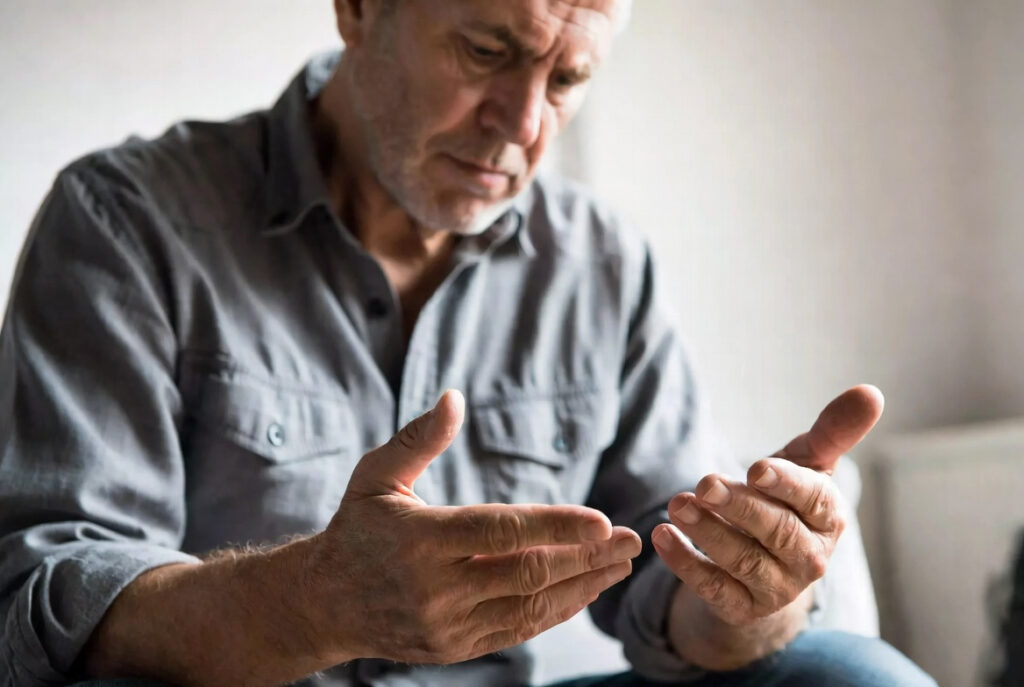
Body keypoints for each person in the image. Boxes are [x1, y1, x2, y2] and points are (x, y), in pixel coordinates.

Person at [0, 1, 935, 685]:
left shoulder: (599, 261)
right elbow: (49, 597)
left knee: (845, 669)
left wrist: (750, 591)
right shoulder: (127, 220)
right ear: (360, 9)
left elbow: (672, 588)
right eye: (488, 51)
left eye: (567, 80)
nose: (524, 126)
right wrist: (312, 601)